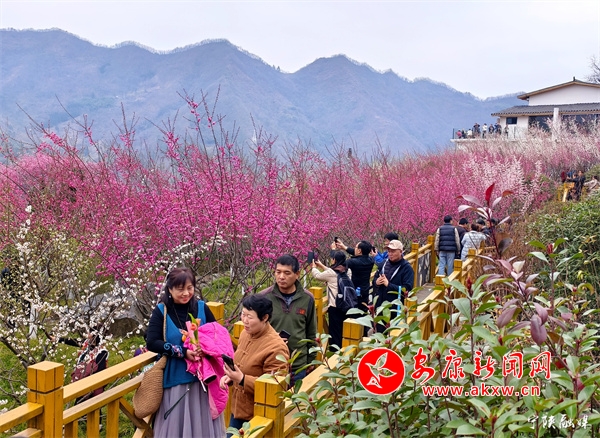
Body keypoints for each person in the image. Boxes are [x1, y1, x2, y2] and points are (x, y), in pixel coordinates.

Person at [146, 267, 224, 438]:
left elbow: (217, 336)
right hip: (176, 379)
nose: (186, 293)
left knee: (201, 425)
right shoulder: (161, 311)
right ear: (170, 289)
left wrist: (206, 348)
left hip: (203, 380)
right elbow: (151, 342)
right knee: (177, 426)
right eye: (180, 289)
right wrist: (182, 351)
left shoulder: (202, 308)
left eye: (190, 288)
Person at [220, 294, 289, 436]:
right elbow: (242, 366)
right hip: (238, 410)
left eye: (249, 317)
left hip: (259, 417)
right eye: (243, 314)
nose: (244, 320)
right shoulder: (246, 333)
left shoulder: (276, 347)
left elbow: (277, 388)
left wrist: (242, 379)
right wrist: (231, 377)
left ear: (265, 318)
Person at [259, 254, 317, 384]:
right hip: (271, 365)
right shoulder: (264, 298)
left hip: (298, 365)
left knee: (296, 397)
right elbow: (255, 331)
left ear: (297, 274)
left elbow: (311, 332)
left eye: (287, 273)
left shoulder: (307, 299)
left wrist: (311, 361)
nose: (281, 277)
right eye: (278, 272)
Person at [307, 250, 348, 351]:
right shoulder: (347, 270)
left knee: (335, 331)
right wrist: (322, 265)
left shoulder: (331, 273)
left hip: (335, 306)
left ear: (334, 260)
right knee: (343, 329)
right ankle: (344, 349)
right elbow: (332, 273)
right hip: (346, 304)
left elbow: (318, 276)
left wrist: (314, 267)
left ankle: (335, 353)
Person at [372, 240, 414, 333]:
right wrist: (376, 282)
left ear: (401, 251)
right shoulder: (383, 264)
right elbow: (374, 279)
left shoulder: (406, 268)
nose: (390, 254)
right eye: (389, 251)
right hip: (380, 306)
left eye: (393, 251)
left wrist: (389, 285)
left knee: (394, 335)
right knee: (380, 334)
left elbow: (407, 288)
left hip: (395, 309)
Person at [336, 239, 375, 312]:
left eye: (356, 247)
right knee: (363, 309)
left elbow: (339, 265)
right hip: (365, 290)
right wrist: (344, 247)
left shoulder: (353, 262)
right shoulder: (371, 260)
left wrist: (333, 252)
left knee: (355, 311)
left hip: (355, 292)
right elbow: (357, 253)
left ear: (359, 251)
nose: (354, 249)